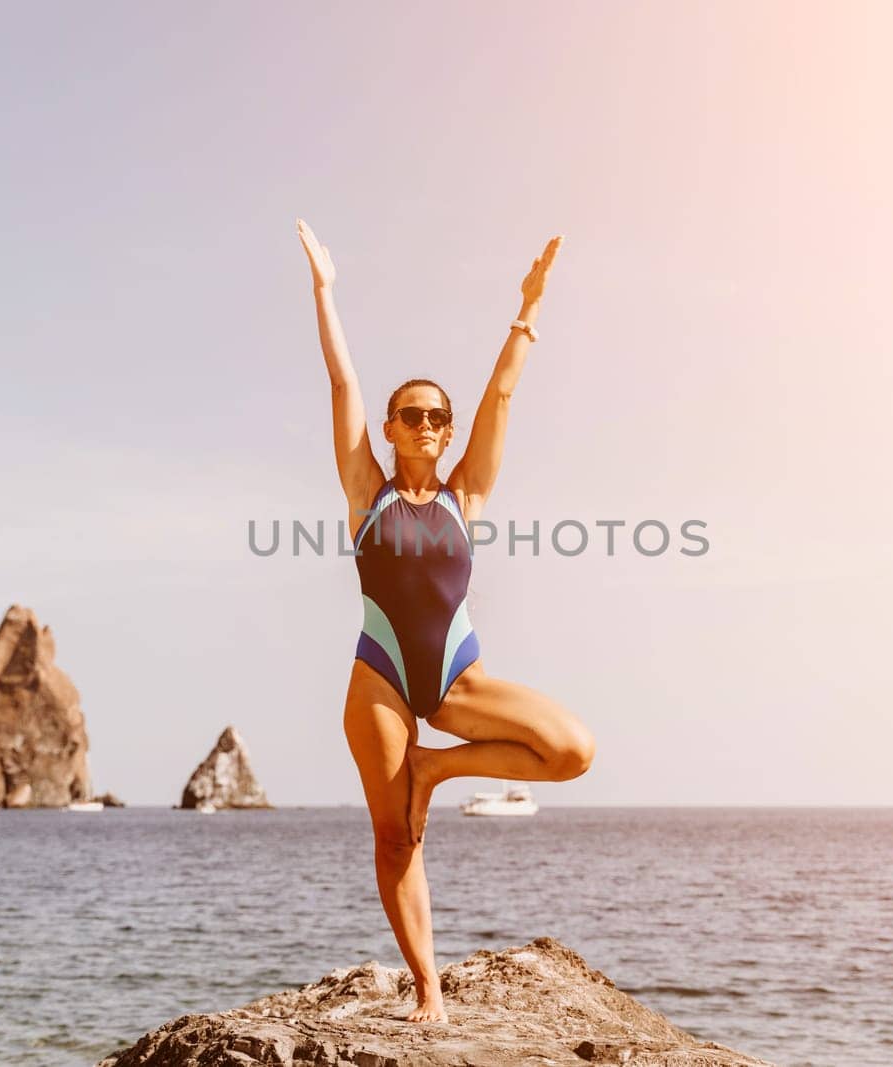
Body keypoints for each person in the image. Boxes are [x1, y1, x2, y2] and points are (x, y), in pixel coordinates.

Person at [295, 218, 596, 1024]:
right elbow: (341, 381)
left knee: (573, 749)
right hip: (382, 681)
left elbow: (502, 392)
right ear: (390, 429)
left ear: (447, 431)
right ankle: (427, 984)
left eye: (437, 417)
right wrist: (325, 291)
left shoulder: (467, 498)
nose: (425, 425)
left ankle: (437, 769)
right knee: (397, 840)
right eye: (411, 414)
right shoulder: (367, 490)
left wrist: (526, 312)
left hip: (459, 679)